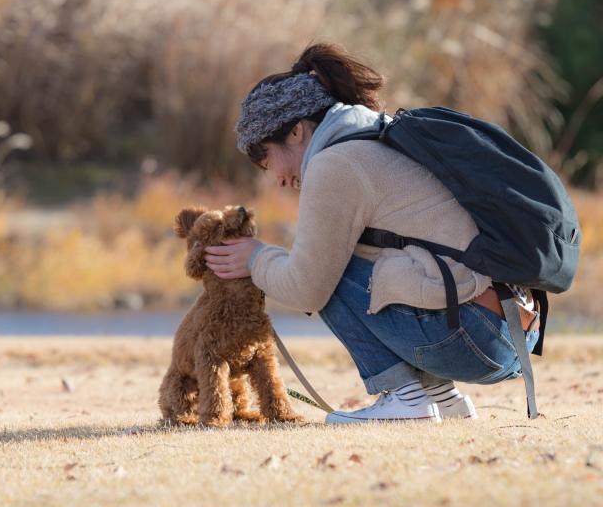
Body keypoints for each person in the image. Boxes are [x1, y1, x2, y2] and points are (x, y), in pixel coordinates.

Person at [204, 42, 539, 424]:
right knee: (349, 262)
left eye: (267, 157)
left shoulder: (335, 165)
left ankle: (405, 398)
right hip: (509, 333)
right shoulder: (374, 139)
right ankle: (440, 396)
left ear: (296, 132)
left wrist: (255, 257)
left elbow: (306, 287)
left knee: (325, 272)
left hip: (471, 336)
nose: (276, 179)